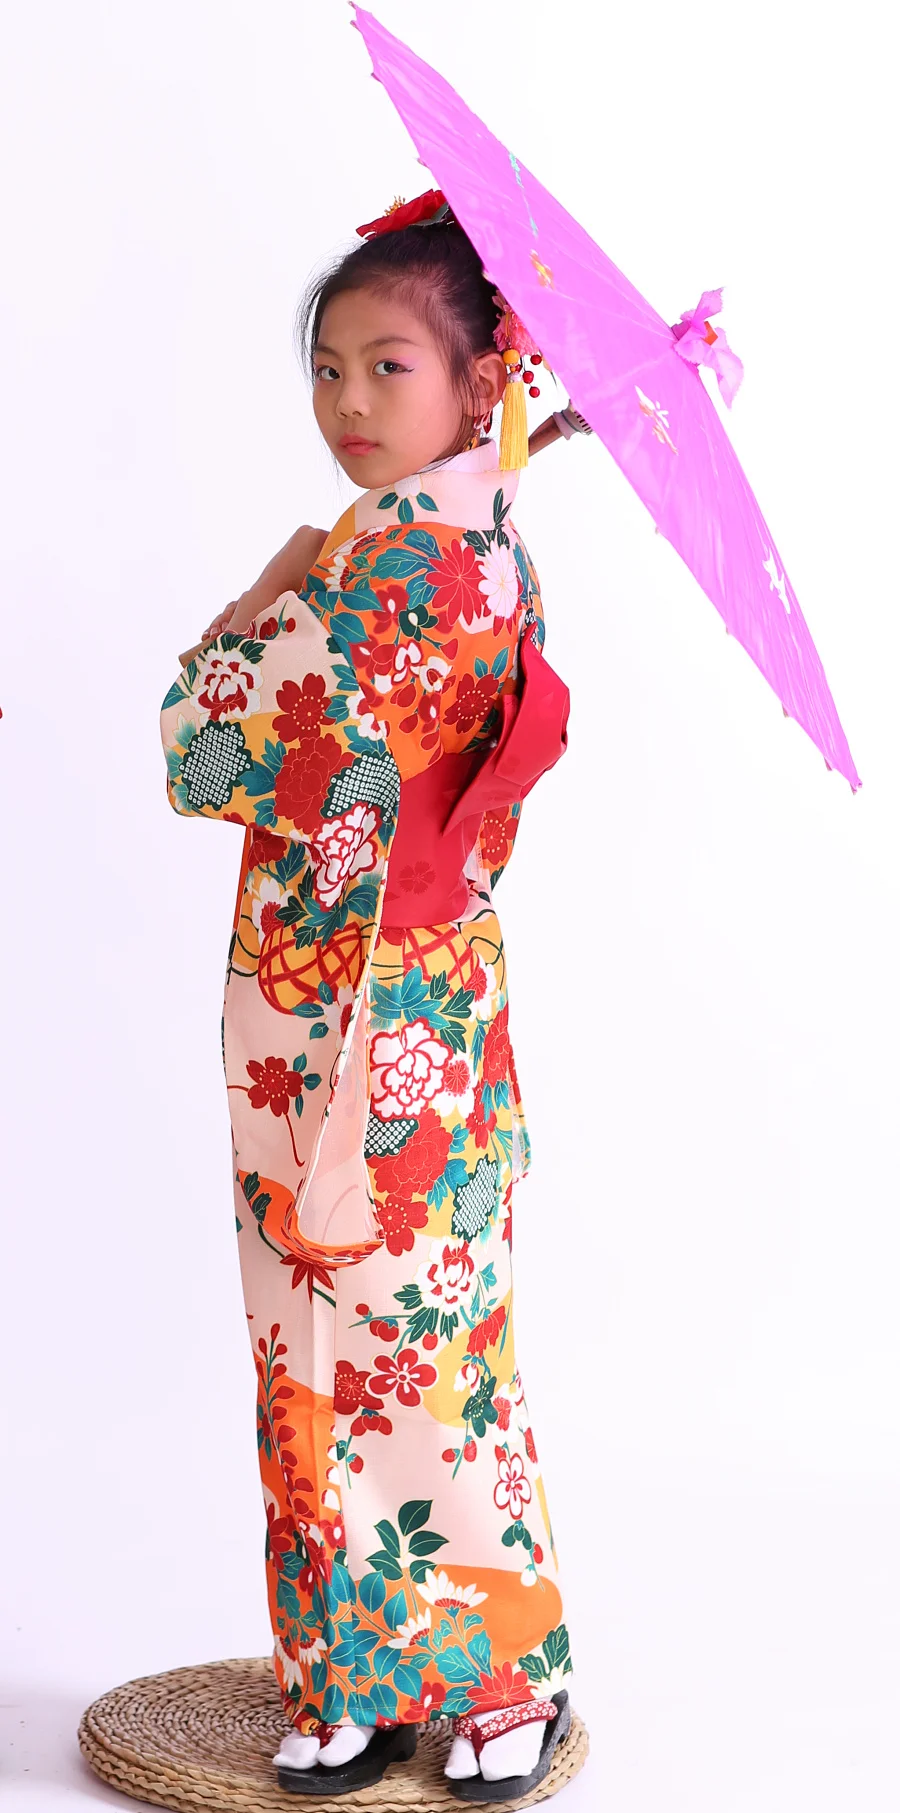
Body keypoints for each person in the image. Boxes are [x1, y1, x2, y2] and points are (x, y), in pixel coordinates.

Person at [159, 189, 590, 1802]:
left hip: (375, 1013)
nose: (347, 401)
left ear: (485, 383)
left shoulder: (409, 568)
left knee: (407, 1342)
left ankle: (493, 1678)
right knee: (349, 1336)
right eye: (328, 369)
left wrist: (252, 615)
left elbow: (204, 746)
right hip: (370, 1005)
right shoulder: (460, 546)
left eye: (387, 366)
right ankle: (353, 1671)